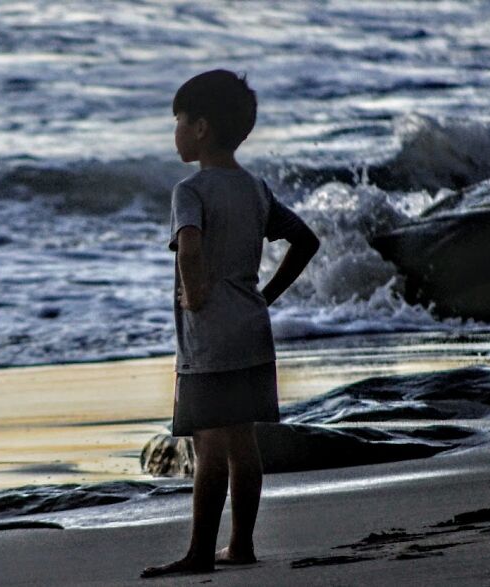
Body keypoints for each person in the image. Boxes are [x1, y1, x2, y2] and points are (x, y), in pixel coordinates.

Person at [141, 70, 319, 579]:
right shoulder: (254, 188)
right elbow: (305, 240)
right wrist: (267, 296)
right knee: (243, 443)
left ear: (199, 127)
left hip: (210, 340)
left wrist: (194, 292)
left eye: (177, 121)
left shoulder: (189, 190)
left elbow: (190, 244)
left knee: (209, 445)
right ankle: (240, 544)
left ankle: (200, 552)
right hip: (252, 331)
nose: (174, 131)